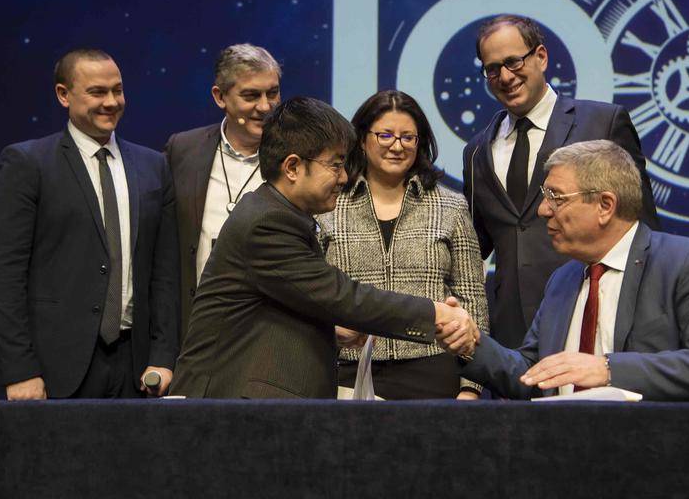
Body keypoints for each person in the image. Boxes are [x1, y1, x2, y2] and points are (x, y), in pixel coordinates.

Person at [170, 96, 479, 399]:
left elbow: (281, 307)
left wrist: (329, 330)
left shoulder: (279, 213)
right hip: (229, 405)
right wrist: (434, 313)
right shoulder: (268, 223)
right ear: (292, 167)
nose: (344, 177)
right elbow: (342, 297)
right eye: (334, 165)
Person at [461, 140, 689, 401]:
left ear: (605, 205)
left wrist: (608, 368)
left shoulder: (684, 263)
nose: (543, 210)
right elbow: (532, 375)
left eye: (556, 197)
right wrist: (471, 343)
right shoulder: (563, 280)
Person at [0, 48, 180, 399]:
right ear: (63, 95)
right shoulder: (28, 163)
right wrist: (20, 369)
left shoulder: (153, 166)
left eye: (117, 90)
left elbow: (164, 272)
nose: (112, 102)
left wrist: (163, 356)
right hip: (53, 368)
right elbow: (2, 273)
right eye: (97, 92)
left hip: (137, 369)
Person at [463, 14, 661, 350]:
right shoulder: (477, 150)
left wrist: (647, 317)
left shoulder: (603, 122)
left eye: (513, 61)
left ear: (541, 56)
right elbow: (472, 250)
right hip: (512, 335)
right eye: (492, 69)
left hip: (595, 317)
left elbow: (643, 229)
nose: (505, 77)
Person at [318, 90, 489, 400]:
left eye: (408, 138)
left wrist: (471, 387)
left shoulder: (451, 206)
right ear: (361, 139)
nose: (397, 146)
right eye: (385, 135)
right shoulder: (329, 206)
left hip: (433, 372)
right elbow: (311, 296)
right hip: (347, 372)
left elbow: (473, 301)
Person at [164, 43, 281, 339]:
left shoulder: (295, 158)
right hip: (194, 328)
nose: (265, 107)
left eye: (272, 93)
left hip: (269, 330)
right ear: (220, 97)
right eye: (251, 95)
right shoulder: (182, 150)